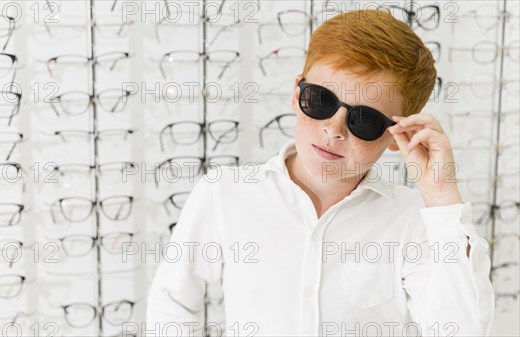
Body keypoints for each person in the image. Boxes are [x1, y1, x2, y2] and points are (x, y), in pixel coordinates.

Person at [146, 9, 494, 337]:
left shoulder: (413, 220)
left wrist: (441, 198)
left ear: (396, 135)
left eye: (364, 120)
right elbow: (172, 302)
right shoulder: (225, 193)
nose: (333, 129)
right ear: (297, 92)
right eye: (321, 100)